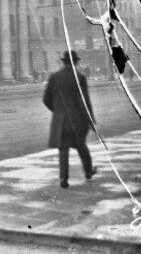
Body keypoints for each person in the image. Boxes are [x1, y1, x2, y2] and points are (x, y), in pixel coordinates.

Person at [43, 51, 97, 188]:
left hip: (60, 121)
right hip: (77, 121)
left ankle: (63, 179)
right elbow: (84, 101)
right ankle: (89, 172)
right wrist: (90, 120)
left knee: (63, 149)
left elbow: (46, 99)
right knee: (81, 147)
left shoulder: (54, 77)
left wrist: (58, 111)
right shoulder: (80, 78)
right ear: (76, 62)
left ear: (64, 62)